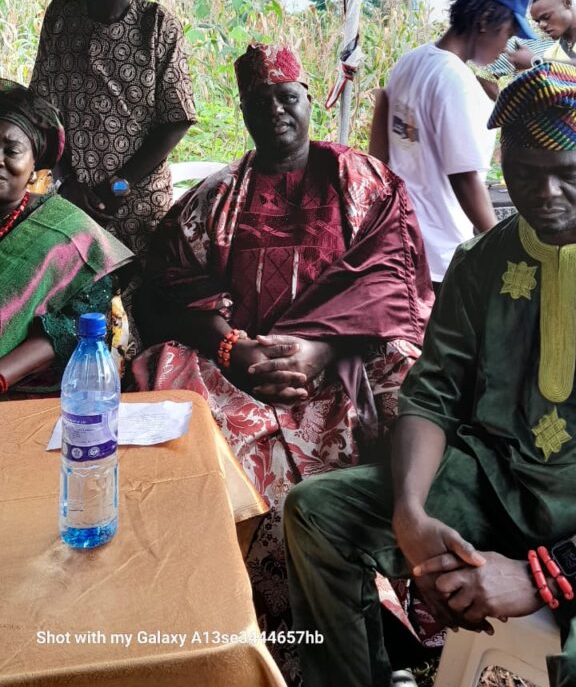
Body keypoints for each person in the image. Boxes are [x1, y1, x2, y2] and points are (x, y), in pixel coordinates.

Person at [131, 42, 434, 684]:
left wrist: (323, 345)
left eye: (288, 98)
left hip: (344, 359)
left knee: (412, 383)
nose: (276, 113)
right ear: (241, 111)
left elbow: (393, 278)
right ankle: (257, 638)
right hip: (245, 367)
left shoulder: (364, 181)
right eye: (259, 102)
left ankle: (389, 620)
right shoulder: (216, 196)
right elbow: (171, 287)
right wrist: (232, 349)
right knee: (202, 427)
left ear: (308, 101)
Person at [284, 60, 576, 687]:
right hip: (494, 483)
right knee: (317, 514)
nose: (545, 196)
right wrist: (410, 514)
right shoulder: (482, 263)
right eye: (524, 175)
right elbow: (433, 394)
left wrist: (544, 575)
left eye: (568, 176)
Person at [29, 0, 197, 256]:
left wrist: (118, 185)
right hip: (72, 200)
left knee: (139, 301)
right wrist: (66, 181)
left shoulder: (156, 25)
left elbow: (176, 118)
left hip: (137, 205)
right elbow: (42, 110)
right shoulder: (61, 15)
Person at [369, 0, 532, 287]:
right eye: (508, 34)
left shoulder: (411, 60)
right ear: (485, 20)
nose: (506, 47)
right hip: (438, 257)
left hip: (395, 241)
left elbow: (381, 155)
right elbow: (465, 178)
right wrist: (497, 244)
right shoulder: (455, 80)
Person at [0, 80, 133, 398]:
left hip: (30, 391)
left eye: (12, 150)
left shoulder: (71, 234)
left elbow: (76, 325)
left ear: (35, 164)